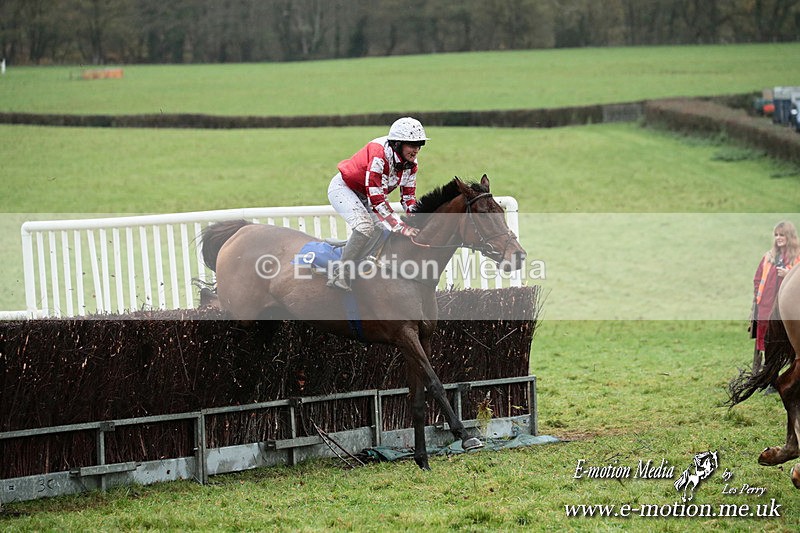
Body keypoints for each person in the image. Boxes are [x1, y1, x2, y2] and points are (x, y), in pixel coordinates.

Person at [326, 117, 427, 290]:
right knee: (365, 227)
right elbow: (377, 199)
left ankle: (357, 263)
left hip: (365, 194)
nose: (416, 150)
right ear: (397, 144)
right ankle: (339, 274)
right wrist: (401, 227)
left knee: (380, 228)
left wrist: (418, 220)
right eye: (412, 145)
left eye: (419, 145)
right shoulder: (379, 155)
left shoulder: (411, 164)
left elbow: (408, 198)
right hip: (344, 188)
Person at [751, 220, 800, 372]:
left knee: (789, 340)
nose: (778, 238)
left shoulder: (797, 258)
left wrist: (788, 274)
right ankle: (770, 376)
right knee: (767, 341)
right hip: (766, 305)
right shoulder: (769, 257)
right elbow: (758, 278)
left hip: (788, 308)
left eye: (782, 235)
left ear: (790, 236)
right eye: (776, 235)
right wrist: (758, 298)